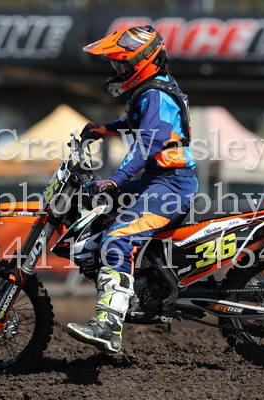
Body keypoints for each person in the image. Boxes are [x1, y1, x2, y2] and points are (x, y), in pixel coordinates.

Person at [66, 25, 198, 353]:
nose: (117, 70)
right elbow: (140, 123)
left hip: (171, 185)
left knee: (117, 239)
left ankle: (109, 326)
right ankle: (129, 280)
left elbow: (147, 142)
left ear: (142, 61)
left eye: (121, 64)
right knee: (92, 202)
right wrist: (105, 129)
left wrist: (117, 179)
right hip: (158, 181)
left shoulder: (155, 93)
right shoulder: (152, 90)